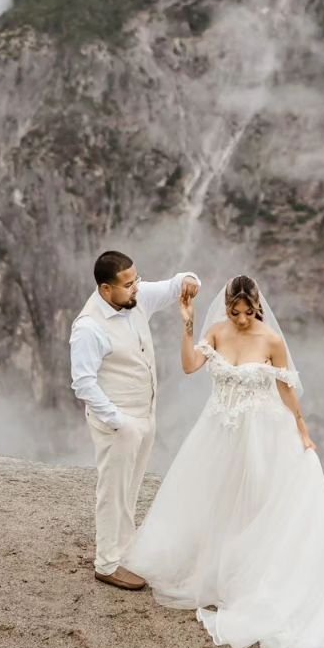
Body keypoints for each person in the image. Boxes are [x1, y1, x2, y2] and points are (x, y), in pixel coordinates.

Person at [122, 274, 324, 648]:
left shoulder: (271, 340)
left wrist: (302, 428)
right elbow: (189, 366)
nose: (242, 319)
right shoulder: (215, 332)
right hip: (218, 432)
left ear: (258, 308)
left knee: (256, 503)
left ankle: (250, 581)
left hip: (263, 432)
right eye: (236, 312)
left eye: (248, 312)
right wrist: (187, 320)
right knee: (216, 501)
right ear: (227, 307)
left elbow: (285, 388)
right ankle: (216, 574)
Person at [69, 250, 200, 590]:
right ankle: (107, 563)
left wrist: (190, 282)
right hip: (119, 422)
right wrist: (119, 421)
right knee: (113, 490)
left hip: (145, 414)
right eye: (128, 284)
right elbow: (83, 383)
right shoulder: (89, 328)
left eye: (136, 280)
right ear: (105, 289)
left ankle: (123, 550)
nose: (136, 288)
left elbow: (175, 285)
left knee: (131, 487)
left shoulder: (135, 298)